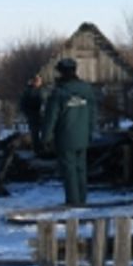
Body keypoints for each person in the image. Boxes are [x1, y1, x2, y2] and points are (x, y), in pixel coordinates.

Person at [42, 57, 98, 205]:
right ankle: (82, 199)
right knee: (81, 169)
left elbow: (51, 118)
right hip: (83, 136)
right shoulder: (87, 90)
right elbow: (93, 113)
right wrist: (92, 132)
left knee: (69, 171)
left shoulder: (59, 93)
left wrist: (46, 138)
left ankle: (73, 201)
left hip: (65, 137)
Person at [20, 74, 47, 156]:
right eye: (36, 80)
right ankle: (37, 150)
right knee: (34, 134)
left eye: (39, 80)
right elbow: (22, 104)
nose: (37, 82)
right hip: (33, 115)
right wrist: (28, 113)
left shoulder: (45, 90)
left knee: (46, 133)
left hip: (44, 116)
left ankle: (45, 148)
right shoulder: (28, 91)